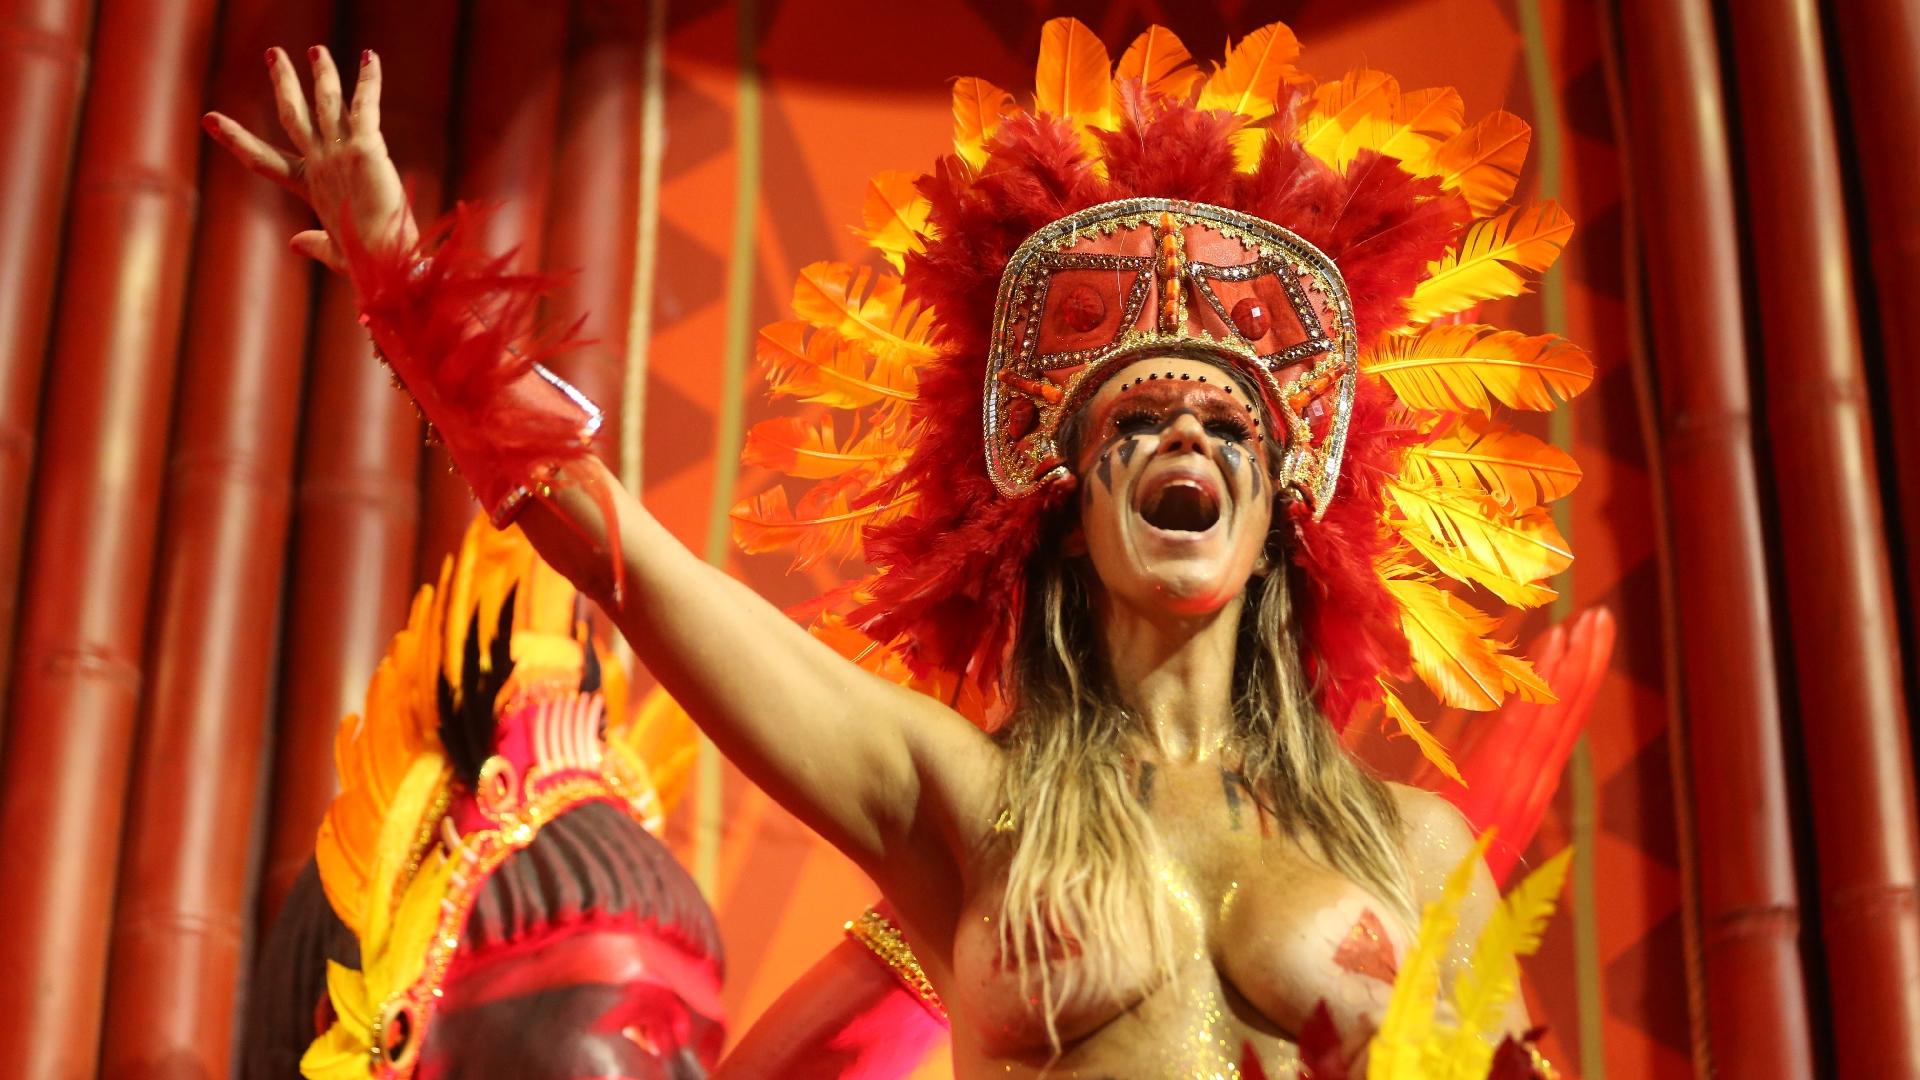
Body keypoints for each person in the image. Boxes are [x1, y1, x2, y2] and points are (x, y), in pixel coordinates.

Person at [206, 18, 1590, 1077]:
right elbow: (619, 555)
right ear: (1063, 497)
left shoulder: (1409, 847)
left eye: (1229, 424)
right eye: (1140, 419)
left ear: (1289, 508)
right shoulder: (962, 806)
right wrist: (408, 281)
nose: (1188, 443)